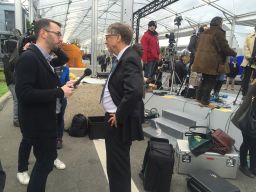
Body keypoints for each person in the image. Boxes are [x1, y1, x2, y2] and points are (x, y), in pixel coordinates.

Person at [15, 18, 74, 191]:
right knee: (44, 163)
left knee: (46, 163)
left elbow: (42, 84)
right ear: (43, 33)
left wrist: (62, 88)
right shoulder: (29, 57)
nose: (60, 38)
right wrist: (59, 92)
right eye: (57, 34)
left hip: (44, 120)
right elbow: (24, 94)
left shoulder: (43, 57)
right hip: (37, 123)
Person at [102, 23, 144, 192]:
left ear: (118, 37)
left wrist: (119, 115)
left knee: (118, 167)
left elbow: (134, 91)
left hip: (118, 120)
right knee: (115, 164)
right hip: (115, 118)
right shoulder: (124, 56)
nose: (106, 41)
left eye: (107, 37)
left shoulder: (130, 57)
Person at [192, 16, 236, 106]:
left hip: (202, 61)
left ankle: (199, 98)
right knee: (210, 81)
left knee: (204, 80)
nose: (222, 24)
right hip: (212, 61)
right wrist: (234, 53)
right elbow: (224, 47)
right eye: (222, 22)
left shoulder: (204, 32)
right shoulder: (218, 32)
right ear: (219, 23)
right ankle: (205, 101)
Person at [232, 79, 256, 178]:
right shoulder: (254, 87)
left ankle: (253, 167)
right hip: (249, 119)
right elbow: (249, 103)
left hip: (251, 119)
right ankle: (243, 165)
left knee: (253, 145)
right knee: (248, 143)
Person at [2, 40, 19, 127]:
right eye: (15, 45)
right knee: (16, 100)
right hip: (11, 83)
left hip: (13, 82)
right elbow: (7, 71)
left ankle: (17, 118)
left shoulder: (12, 56)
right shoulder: (6, 57)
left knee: (18, 100)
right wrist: (15, 81)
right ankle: (16, 120)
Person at [240, 26, 256, 96]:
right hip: (249, 60)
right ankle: (244, 94)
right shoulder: (250, 36)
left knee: (254, 79)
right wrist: (249, 56)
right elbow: (245, 47)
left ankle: (253, 96)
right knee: (246, 78)